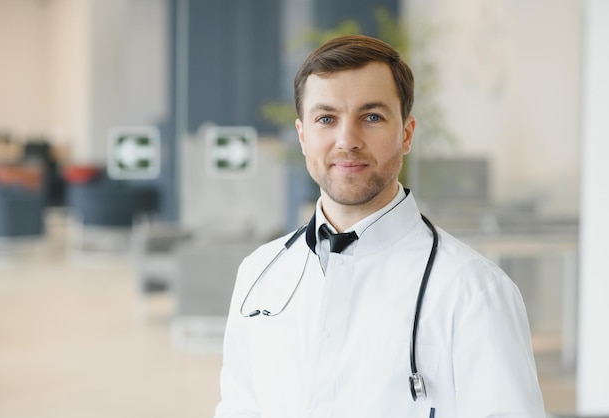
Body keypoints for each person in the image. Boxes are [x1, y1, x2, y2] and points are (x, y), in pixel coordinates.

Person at [214, 34, 545, 418]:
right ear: (303, 137)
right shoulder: (259, 273)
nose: (347, 140)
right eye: (326, 119)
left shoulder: (472, 291)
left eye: (371, 117)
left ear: (406, 134)